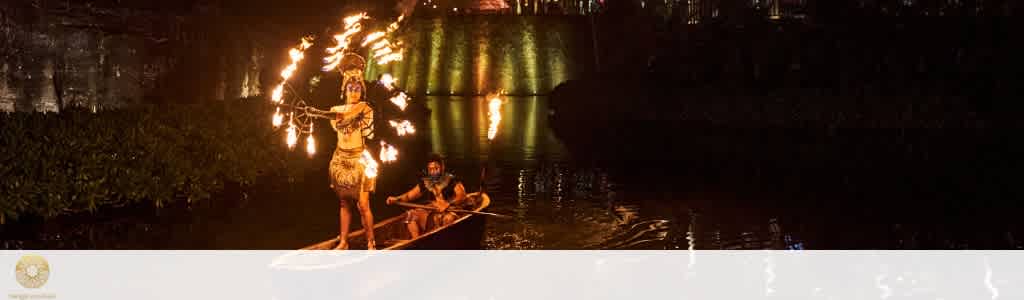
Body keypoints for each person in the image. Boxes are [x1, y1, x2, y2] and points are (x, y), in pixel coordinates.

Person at [328, 53, 377, 250]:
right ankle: (344, 241)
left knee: (363, 205)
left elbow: (369, 134)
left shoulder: (366, 109)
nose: (355, 92)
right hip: (340, 160)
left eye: (358, 89)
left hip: (359, 160)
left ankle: (371, 242)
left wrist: (359, 115)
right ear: (344, 89)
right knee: (344, 204)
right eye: (351, 88)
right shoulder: (335, 110)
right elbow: (339, 121)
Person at [386, 154, 468, 238]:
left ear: (442, 167)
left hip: (452, 209)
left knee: (448, 219)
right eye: (430, 169)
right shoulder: (426, 182)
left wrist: (448, 203)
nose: (433, 172)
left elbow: (462, 195)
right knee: (410, 215)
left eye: (436, 168)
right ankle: (417, 241)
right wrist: (396, 199)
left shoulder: (451, 180)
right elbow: (408, 196)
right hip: (433, 209)